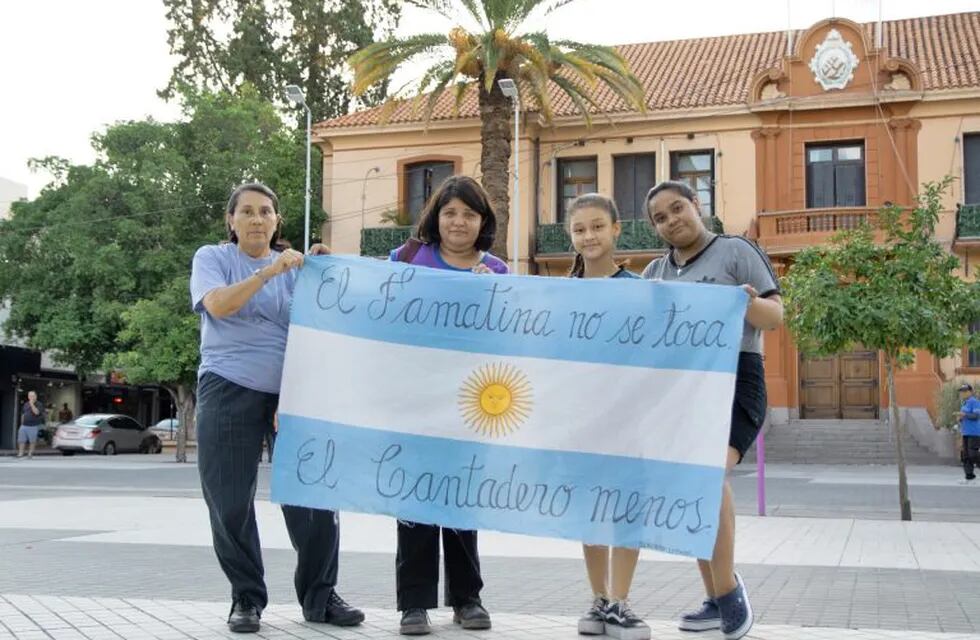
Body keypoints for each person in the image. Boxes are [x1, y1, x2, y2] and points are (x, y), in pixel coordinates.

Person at [190, 182, 363, 634]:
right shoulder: (213, 259)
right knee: (228, 502)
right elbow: (219, 306)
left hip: (293, 393)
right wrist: (268, 272)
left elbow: (321, 324)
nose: (256, 219)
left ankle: (321, 598)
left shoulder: (296, 267)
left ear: (276, 220)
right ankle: (246, 599)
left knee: (314, 498)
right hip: (228, 387)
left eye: (265, 212)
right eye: (246, 211)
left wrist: (325, 268)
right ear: (231, 221)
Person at [642, 181, 783, 640]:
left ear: (697, 205)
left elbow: (775, 318)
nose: (671, 220)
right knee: (692, 485)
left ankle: (728, 596)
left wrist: (746, 302)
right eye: (660, 217)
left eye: (677, 208)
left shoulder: (737, 252)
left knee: (706, 477)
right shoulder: (654, 273)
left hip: (738, 378)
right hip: (682, 389)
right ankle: (714, 594)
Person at [389, 175, 506, 636]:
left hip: (471, 405)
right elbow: (368, 297)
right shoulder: (409, 258)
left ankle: (467, 599)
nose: (459, 222)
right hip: (415, 399)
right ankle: (413, 605)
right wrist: (325, 264)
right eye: (450, 212)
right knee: (415, 501)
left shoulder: (496, 271)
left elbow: (511, 336)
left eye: (470, 214)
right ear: (436, 216)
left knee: (462, 503)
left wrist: (495, 299)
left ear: (483, 222)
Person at [564, 194, 649, 640]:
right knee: (592, 513)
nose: (589, 236)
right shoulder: (560, 295)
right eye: (579, 229)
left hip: (629, 419)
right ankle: (598, 599)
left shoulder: (640, 289)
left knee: (627, 510)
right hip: (582, 421)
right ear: (571, 237)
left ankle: (621, 601)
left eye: (597, 226)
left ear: (617, 229)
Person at [956, 383, 980, 483]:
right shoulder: (964, 403)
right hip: (965, 432)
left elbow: (975, 416)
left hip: (974, 433)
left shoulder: (975, 402)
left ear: (970, 392)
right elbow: (964, 417)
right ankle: (969, 477)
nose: (963, 393)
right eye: (962, 391)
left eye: (965, 391)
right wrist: (960, 419)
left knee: (973, 454)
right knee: (965, 456)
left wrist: (964, 415)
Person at [18, 391, 44, 459]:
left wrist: (32, 404)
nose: (31, 397)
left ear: (36, 396)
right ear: (28, 397)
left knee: (32, 441)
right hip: (24, 425)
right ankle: (20, 453)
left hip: (33, 425)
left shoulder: (39, 404)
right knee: (21, 440)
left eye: (33, 396)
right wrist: (21, 424)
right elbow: (23, 414)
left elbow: (36, 413)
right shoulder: (26, 404)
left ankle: (30, 454)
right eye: (30, 396)